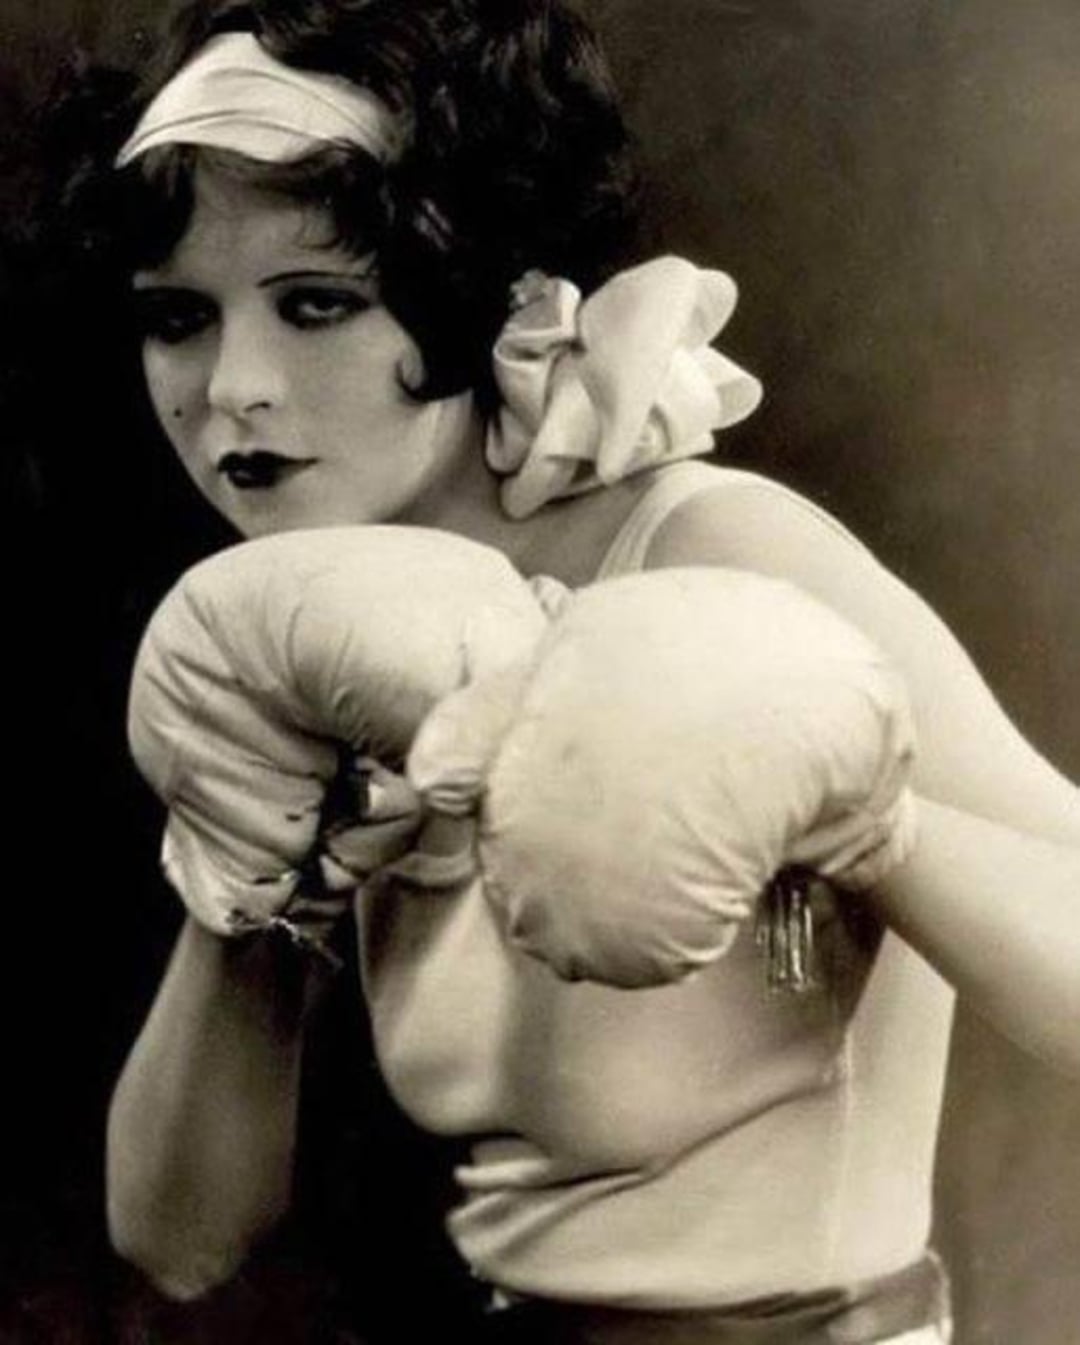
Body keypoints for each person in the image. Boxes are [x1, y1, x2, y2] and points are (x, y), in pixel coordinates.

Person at [44, 0, 1079, 1340]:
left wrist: (869, 814)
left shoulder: (714, 549)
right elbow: (178, 1236)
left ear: (476, 294)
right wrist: (245, 884)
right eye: (178, 317)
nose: (234, 384)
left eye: (317, 305)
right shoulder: (308, 641)